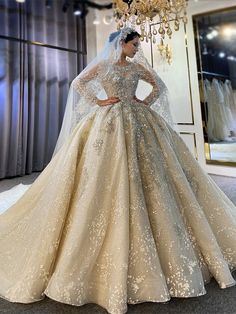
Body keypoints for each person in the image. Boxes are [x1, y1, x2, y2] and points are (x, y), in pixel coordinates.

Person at [0, 27, 236, 314]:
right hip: (108, 120)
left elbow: (159, 86)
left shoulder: (137, 67)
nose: (138, 49)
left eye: (138, 45)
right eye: (134, 44)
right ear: (122, 44)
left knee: (152, 175)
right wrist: (99, 101)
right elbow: (78, 83)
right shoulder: (104, 65)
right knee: (100, 176)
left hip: (138, 121)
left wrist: (143, 102)